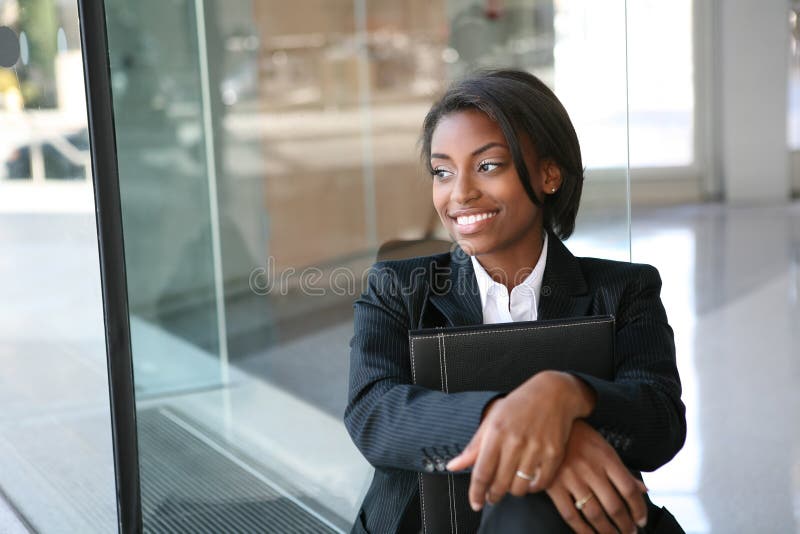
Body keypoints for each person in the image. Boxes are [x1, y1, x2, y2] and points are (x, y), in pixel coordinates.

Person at [344, 69, 686, 533]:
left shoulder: (624, 290)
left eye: (488, 166)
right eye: (443, 171)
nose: (459, 193)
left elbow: (660, 424)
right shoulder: (397, 287)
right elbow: (374, 414)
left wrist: (567, 394)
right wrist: (530, 428)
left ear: (549, 174)